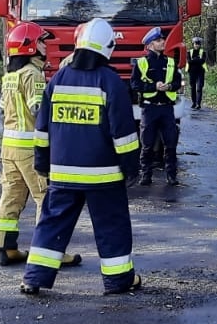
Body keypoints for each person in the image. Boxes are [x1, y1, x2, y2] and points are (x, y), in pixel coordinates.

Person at [22, 18, 142, 296]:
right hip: (104, 175)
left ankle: (34, 278)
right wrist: (131, 167)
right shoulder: (111, 81)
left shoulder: (58, 79)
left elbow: (42, 127)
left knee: (51, 224)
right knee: (112, 226)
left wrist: (42, 161)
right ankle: (118, 280)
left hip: (62, 173)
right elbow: (123, 133)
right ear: (108, 47)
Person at [0, 22, 80, 269]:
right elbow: (39, 111)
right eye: (43, 42)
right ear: (30, 46)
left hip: (9, 148)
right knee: (46, 197)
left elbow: (4, 110)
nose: (46, 46)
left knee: (11, 197)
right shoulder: (32, 74)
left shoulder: (10, 76)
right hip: (29, 149)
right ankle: (50, 252)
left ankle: (7, 248)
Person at [131, 27, 184, 186]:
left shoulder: (170, 62)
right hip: (150, 108)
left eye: (162, 40)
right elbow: (135, 84)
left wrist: (170, 87)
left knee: (170, 144)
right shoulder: (141, 63)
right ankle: (146, 176)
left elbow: (177, 82)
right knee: (146, 144)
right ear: (150, 45)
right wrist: (154, 86)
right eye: (159, 40)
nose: (163, 42)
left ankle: (171, 176)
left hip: (167, 108)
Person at [187, 36, 207, 110]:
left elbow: (203, 61)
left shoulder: (203, 52)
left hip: (200, 72)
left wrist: (194, 60)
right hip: (192, 72)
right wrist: (197, 59)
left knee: (199, 88)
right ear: (193, 44)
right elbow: (189, 61)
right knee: (192, 88)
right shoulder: (189, 52)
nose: (197, 45)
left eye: (198, 44)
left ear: (200, 45)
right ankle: (194, 102)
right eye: (195, 43)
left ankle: (198, 103)